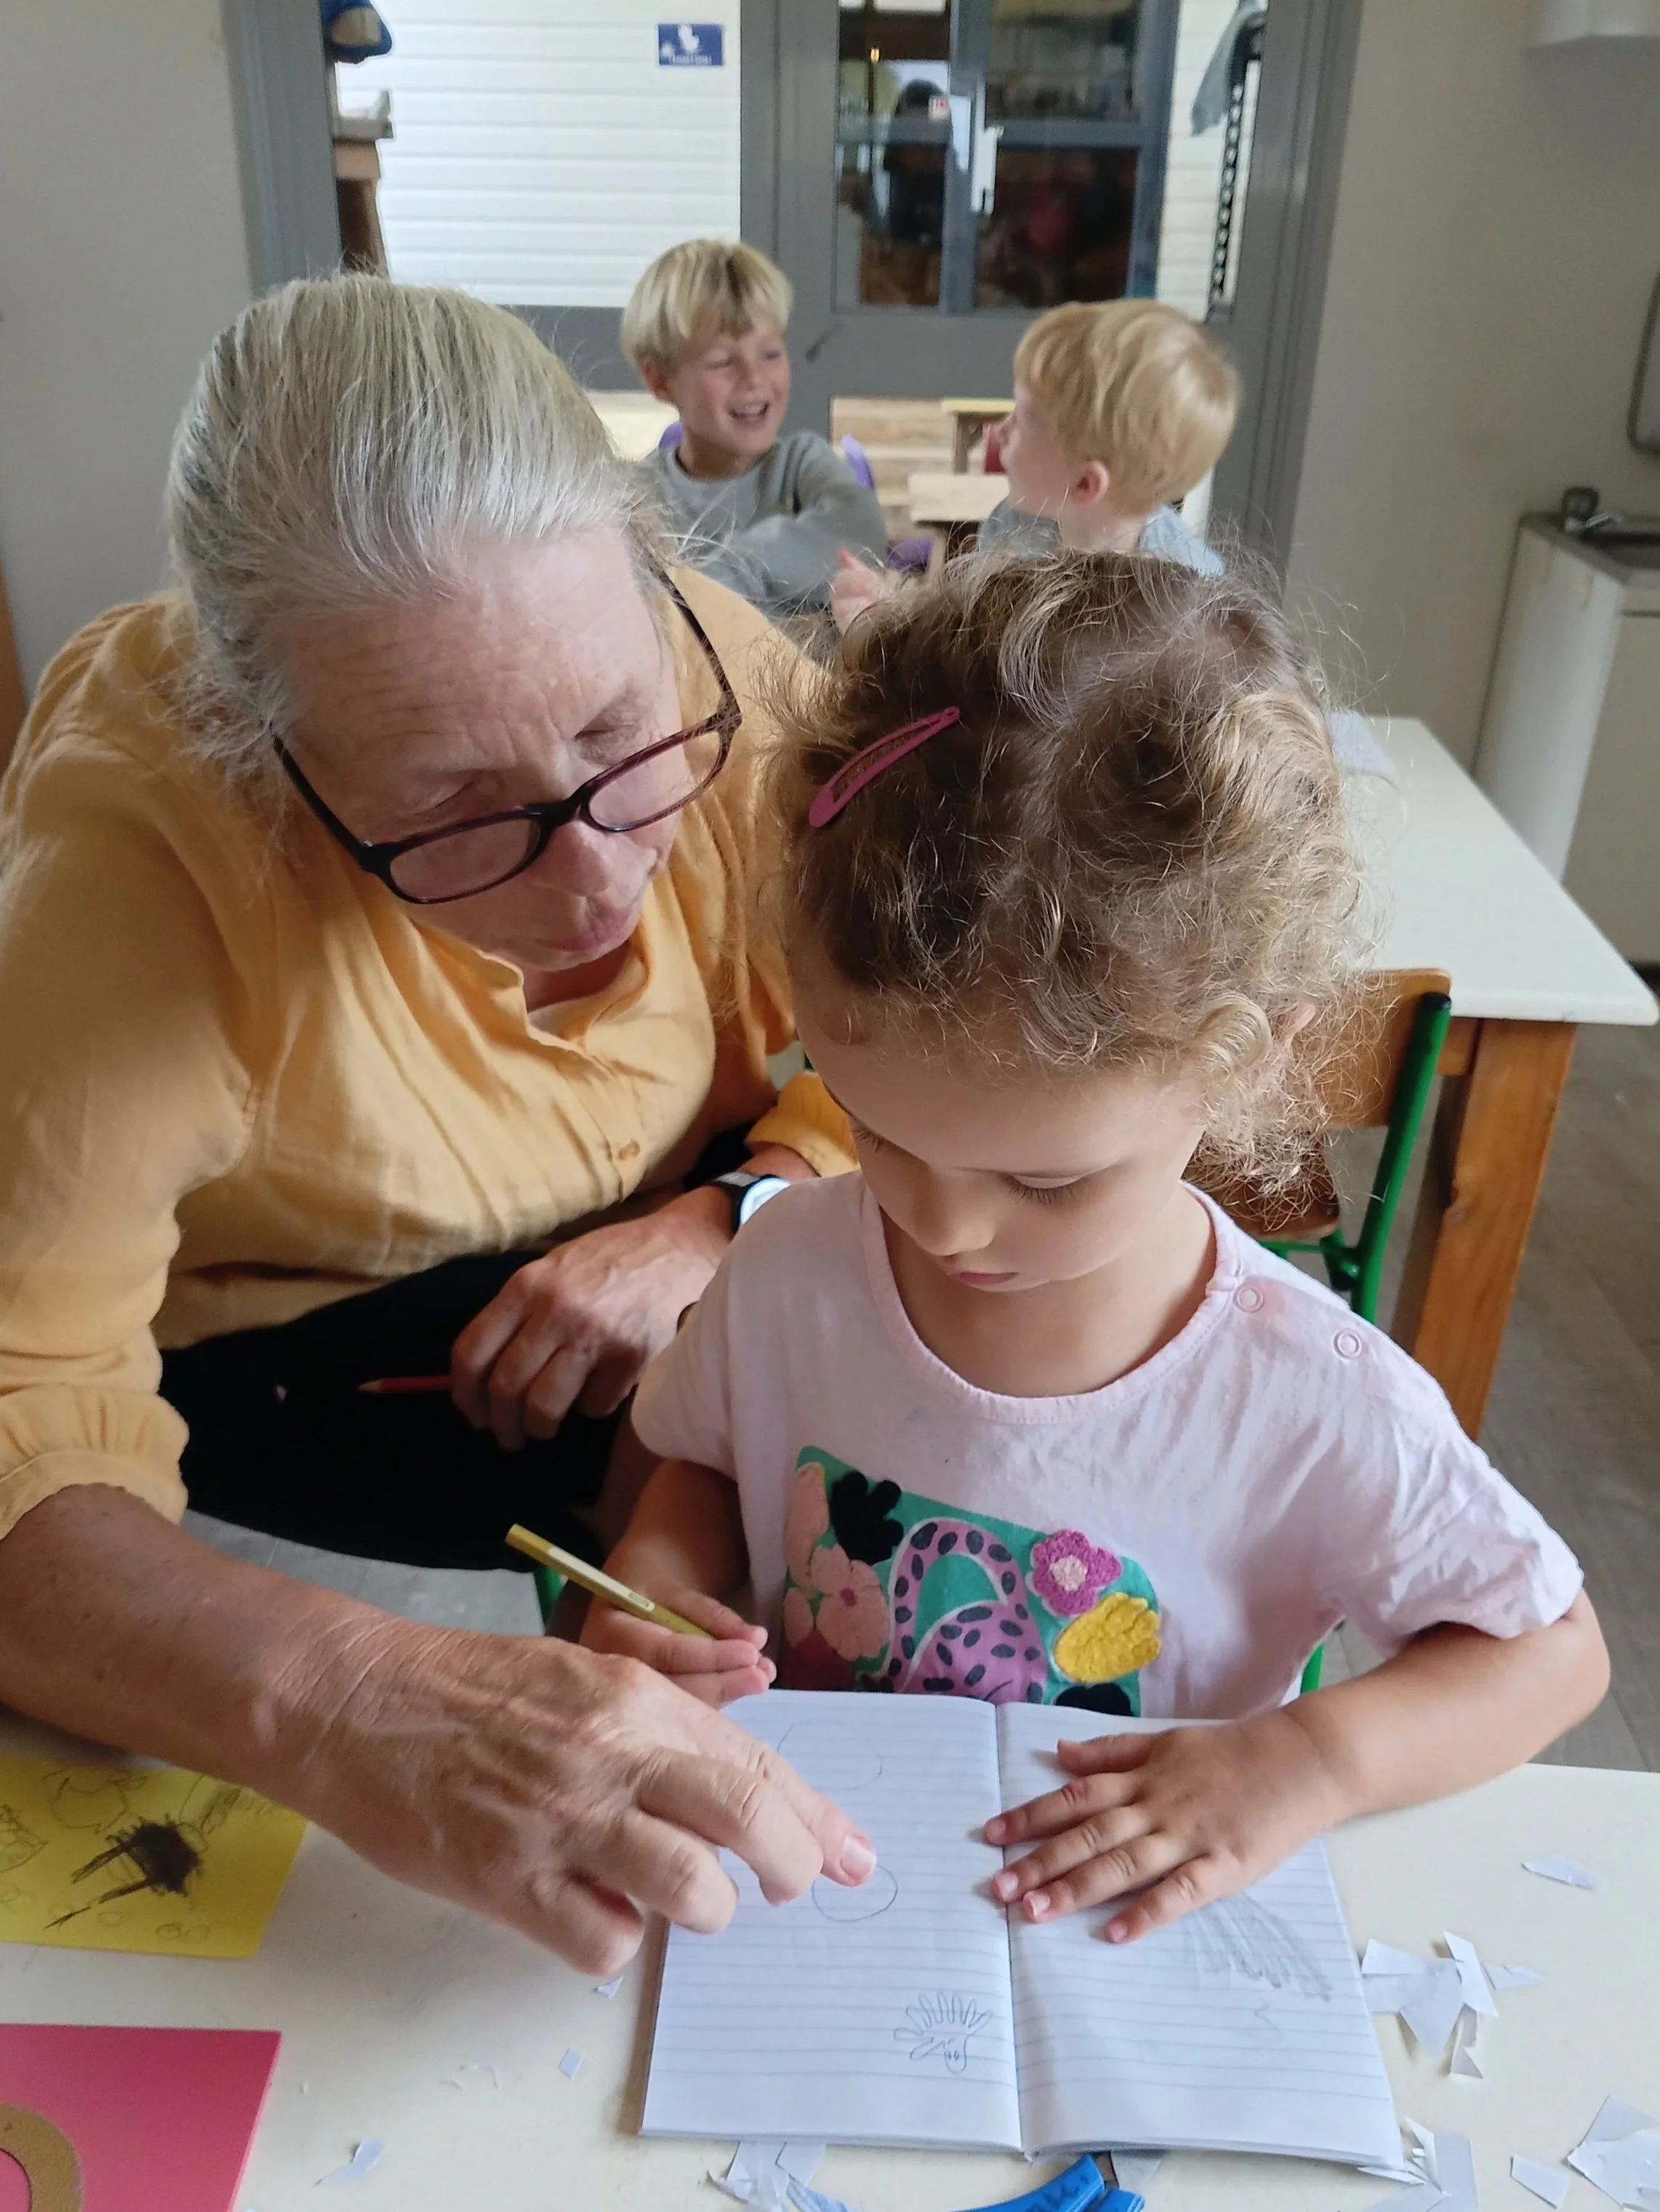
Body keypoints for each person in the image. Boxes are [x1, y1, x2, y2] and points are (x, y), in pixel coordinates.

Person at [0, 274, 876, 1970]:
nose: (600, 871)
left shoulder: (717, 663)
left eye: (623, 739)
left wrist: (737, 1216)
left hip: (681, 1407)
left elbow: (919, 1025)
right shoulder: (133, 882)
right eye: (459, 816)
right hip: (294, 1472)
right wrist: (351, 1696)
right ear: (271, 755)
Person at [582, 551, 1609, 1946]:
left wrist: (1304, 1761)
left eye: (1044, 1178)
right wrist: (659, 1588)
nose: (941, 1224)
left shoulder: (1308, 1395)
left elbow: (1551, 1653)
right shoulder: (783, 1271)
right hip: (801, 1925)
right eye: (875, 1130)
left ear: (1251, 1051)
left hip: (1124, 1961)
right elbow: (694, 1462)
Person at [829, 299, 1239, 632]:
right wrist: (889, 616)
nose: (1001, 430)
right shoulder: (1014, 525)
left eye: (1022, 419)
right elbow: (969, 638)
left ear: (1083, 484)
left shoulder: (1188, 604)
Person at [623, 239, 889, 622]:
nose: (754, 379)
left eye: (771, 354)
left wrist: (727, 574)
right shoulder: (636, 497)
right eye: (722, 362)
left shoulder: (802, 465)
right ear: (661, 380)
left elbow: (860, 531)